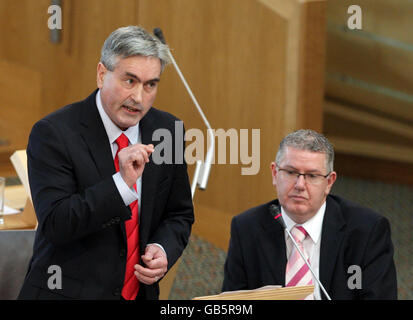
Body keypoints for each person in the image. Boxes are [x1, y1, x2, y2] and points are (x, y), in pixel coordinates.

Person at [18, 26, 194, 300]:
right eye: (130, 81)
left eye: (150, 85)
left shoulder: (167, 131)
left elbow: (179, 214)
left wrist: (163, 248)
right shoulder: (54, 133)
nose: (139, 97)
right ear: (102, 74)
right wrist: (121, 185)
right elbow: (56, 224)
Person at [222, 129, 397, 299]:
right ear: (275, 174)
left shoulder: (367, 231)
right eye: (291, 172)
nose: (299, 184)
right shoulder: (246, 227)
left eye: (312, 176)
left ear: (329, 182)